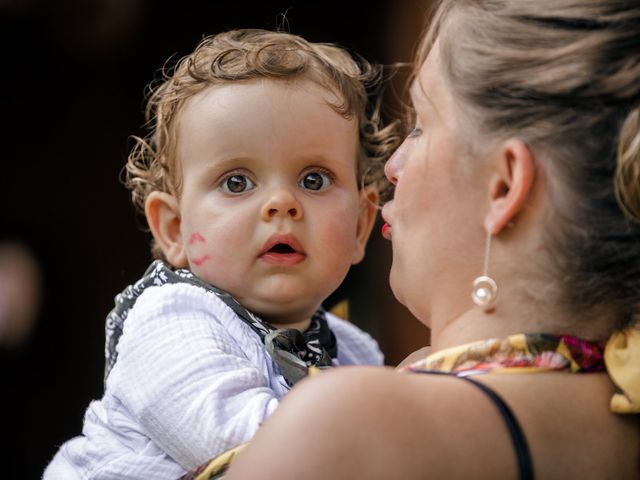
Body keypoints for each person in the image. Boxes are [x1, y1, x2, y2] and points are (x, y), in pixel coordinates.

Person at [222, 1, 640, 478]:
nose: (392, 167)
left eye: (419, 125)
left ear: (502, 186)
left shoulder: (349, 430)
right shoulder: (622, 427)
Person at [43, 29, 400, 479]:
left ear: (360, 226)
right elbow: (252, 448)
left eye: (313, 180)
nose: (281, 203)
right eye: (237, 182)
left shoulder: (353, 349)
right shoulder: (171, 321)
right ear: (175, 229)